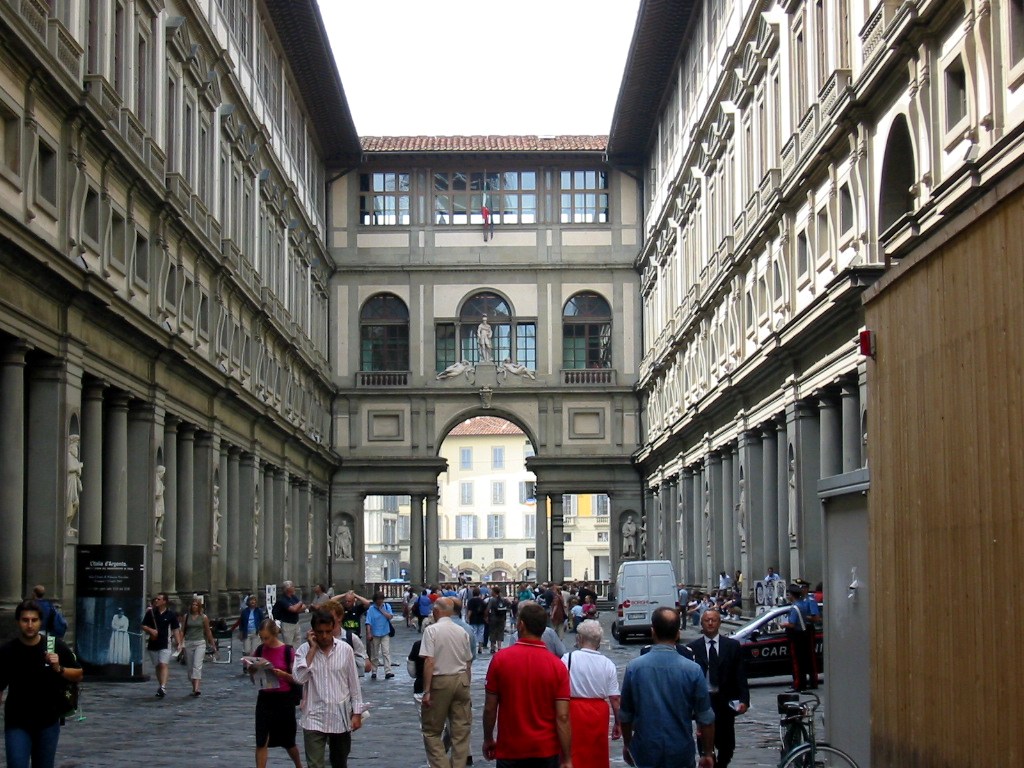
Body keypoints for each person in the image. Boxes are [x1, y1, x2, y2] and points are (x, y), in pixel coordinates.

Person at [619, 606, 715, 768]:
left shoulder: (634, 668)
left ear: (653, 632)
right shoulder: (693, 669)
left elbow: (626, 715)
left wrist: (628, 744)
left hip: (646, 747)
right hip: (680, 748)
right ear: (678, 633)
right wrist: (707, 753)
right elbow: (705, 717)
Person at [482, 601, 573, 767]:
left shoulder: (500, 660)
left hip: (511, 748)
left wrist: (488, 738)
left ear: (521, 625)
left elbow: (490, 707)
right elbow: (563, 716)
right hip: (546, 749)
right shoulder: (557, 666)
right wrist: (566, 757)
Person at [0, 599, 83, 768]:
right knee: (16, 764)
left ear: (40, 622)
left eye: (34, 620)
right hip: (17, 721)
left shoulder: (53, 646)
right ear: (18, 622)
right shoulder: (8, 650)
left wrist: (59, 668)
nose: (30, 625)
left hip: (48, 721)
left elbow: (78, 674)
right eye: (25, 620)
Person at [292, 611, 366, 768]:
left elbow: (354, 683)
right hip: (314, 715)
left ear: (333, 628)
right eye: (320, 632)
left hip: (339, 715)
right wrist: (312, 651)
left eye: (328, 631)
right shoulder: (303, 651)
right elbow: (299, 678)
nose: (324, 636)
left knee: (339, 762)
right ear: (312, 631)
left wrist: (357, 712)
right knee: (315, 764)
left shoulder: (345, 650)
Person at [686, 609, 749, 768]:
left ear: (719, 623)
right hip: (704, 701)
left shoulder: (732, 646)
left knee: (727, 744)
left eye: (713, 620)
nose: (710, 623)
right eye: (707, 620)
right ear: (701, 624)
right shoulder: (692, 648)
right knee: (704, 742)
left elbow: (740, 674)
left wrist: (744, 700)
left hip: (725, 700)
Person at [419, 597, 474, 768]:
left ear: (436, 611)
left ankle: (441, 765)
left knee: (431, 730)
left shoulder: (431, 630)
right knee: (461, 731)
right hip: (461, 680)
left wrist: (426, 690)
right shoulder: (461, 631)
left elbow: (429, 661)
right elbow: (468, 662)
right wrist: (467, 685)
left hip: (440, 680)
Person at [561, 620, 621, 767]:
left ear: (579, 638)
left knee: (574, 752)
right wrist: (618, 723)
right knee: (596, 754)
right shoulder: (608, 664)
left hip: (573, 710)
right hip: (598, 712)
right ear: (599, 641)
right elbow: (614, 698)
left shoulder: (567, 659)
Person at [247, 619, 303, 768]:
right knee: (261, 740)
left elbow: (298, 679)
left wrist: (283, 675)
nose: (264, 641)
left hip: (284, 699)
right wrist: (252, 668)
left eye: (267, 637)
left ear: (275, 634)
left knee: (288, 741)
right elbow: (253, 676)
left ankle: (298, 765)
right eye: (262, 637)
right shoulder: (260, 650)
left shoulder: (287, 651)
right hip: (265, 698)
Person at [141, 592, 183, 698]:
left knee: (163, 664)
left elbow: (175, 629)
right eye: (156, 599)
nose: (156, 601)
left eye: (159, 599)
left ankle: (163, 686)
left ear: (165, 601)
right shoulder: (151, 613)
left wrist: (178, 642)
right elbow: (143, 625)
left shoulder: (170, 615)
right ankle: (161, 685)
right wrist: (150, 630)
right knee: (158, 666)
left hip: (165, 643)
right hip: (153, 642)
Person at [780, 584, 818, 691]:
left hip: (797, 636)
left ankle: (798, 684)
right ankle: (803, 683)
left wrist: (783, 625)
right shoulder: (802, 605)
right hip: (803, 635)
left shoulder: (795, 607)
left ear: (792, 595)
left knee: (797, 662)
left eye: (789, 594)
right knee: (803, 661)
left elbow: (792, 624)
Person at [181, 596, 217, 696]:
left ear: (199, 606)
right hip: (188, 642)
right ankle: (193, 686)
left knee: (197, 665)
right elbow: (182, 630)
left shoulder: (204, 617)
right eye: (193, 604)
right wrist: (180, 642)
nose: (194, 606)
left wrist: (213, 644)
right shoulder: (186, 617)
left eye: (196, 605)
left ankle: (197, 688)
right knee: (190, 667)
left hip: (200, 643)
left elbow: (208, 631)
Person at [364, 592, 395, 680]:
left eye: (381, 599)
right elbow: (368, 622)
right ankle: (374, 671)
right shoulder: (371, 609)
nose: (380, 601)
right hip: (375, 633)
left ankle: (388, 671)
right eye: (378, 600)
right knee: (375, 653)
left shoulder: (386, 606)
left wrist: (381, 610)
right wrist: (369, 633)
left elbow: (390, 616)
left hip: (385, 632)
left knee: (386, 652)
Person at [273, 581, 307, 648]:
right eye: (292, 586)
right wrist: (299, 604)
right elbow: (293, 609)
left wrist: (296, 608)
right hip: (287, 624)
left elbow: (304, 607)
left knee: (297, 642)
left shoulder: (293, 597)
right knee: (288, 644)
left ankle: (296, 657)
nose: (294, 588)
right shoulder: (282, 599)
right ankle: (289, 657)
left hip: (296, 622)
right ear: (287, 589)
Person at [484, 587, 509, 653]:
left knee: (492, 632)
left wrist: (485, 617)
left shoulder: (492, 600)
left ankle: (492, 647)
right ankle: (499, 647)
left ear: (494, 592)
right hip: (502, 618)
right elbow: (508, 606)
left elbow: (487, 609)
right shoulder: (503, 599)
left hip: (493, 618)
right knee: (500, 632)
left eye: (492, 591)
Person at [466, 587, 487, 652]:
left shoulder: (470, 601)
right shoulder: (482, 601)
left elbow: (470, 611)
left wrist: (467, 618)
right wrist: (485, 617)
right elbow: (485, 611)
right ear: (479, 593)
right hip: (481, 619)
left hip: (473, 619)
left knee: (473, 633)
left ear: (473, 593)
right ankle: (480, 647)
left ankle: (474, 647)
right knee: (481, 633)